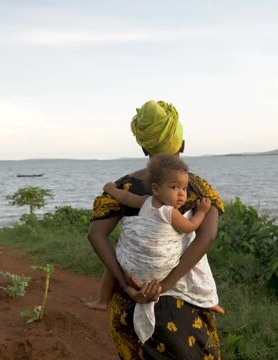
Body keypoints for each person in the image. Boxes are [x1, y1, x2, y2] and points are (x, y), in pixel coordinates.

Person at [87, 100, 224, 359]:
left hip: (131, 299)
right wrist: (163, 285)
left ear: (143, 146)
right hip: (183, 303)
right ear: (182, 143)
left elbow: (96, 235)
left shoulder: (123, 188)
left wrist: (126, 285)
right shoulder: (196, 188)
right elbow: (207, 235)